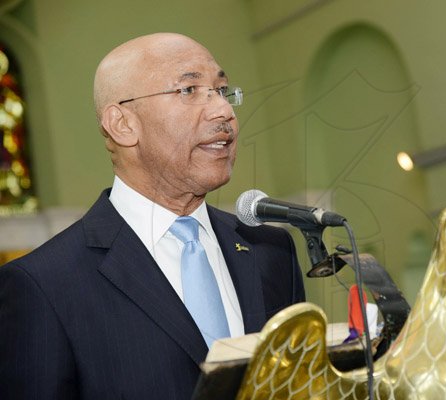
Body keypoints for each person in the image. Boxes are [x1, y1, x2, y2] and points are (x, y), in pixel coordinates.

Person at [0, 33, 305, 400]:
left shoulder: (271, 251)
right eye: (190, 90)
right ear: (123, 124)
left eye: (223, 90)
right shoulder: (43, 286)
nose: (224, 112)